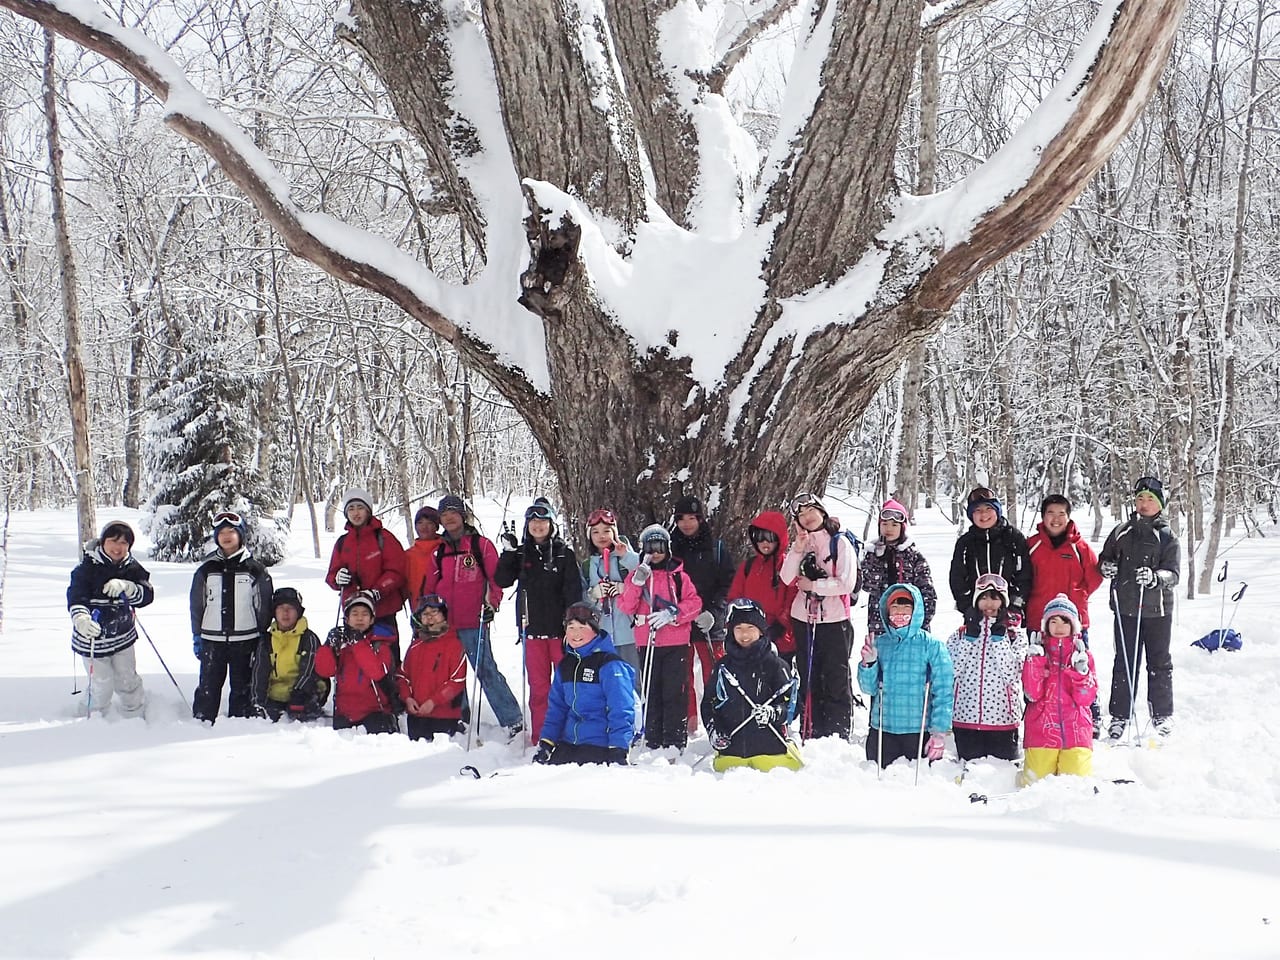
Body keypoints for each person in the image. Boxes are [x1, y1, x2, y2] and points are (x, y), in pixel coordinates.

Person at [423, 494, 524, 739]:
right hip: (445, 624)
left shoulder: (480, 545)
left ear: (462, 515)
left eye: (453, 513)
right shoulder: (439, 551)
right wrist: (427, 612)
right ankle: (459, 716)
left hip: (474, 619)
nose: (448, 518)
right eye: (444, 515)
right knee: (451, 673)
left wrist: (492, 603)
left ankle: (512, 719)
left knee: (485, 668)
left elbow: (496, 579)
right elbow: (430, 587)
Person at [1097, 476, 1181, 739]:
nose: (1144, 504)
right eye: (1140, 499)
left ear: (1160, 504)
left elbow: (1174, 574)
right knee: (1124, 663)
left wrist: (1157, 578)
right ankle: (1120, 716)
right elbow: (1105, 558)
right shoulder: (1122, 530)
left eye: (1150, 500)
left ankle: (1161, 714)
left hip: (1157, 611)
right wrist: (1106, 567)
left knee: (1159, 662)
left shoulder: (1167, 536)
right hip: (1126, 609)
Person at [495, 499, 583, 743]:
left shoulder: (565, 553)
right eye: (533, 521)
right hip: (531, 631)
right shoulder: (521, 554)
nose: (538, 526)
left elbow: (573, 593)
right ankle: (542, 736)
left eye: (543, 521)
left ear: (551, 524)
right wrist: (508, 552)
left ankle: (570, 734)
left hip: (560, 633)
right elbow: (502, 579)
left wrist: (572, 626)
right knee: (539, 689)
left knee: (567, 685)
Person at [779, 493, 860, 741]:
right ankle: (811, 728)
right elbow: (785, 578)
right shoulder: (802, 545)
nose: (807, 518)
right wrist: (797, 548)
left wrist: (815, 585)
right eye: (801, 516)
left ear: (822, 512)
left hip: (835, 620)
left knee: (835, 676)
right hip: (803, 619)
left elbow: (847, 583)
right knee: (809, 675)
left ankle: (837, 731)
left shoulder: (840, 543)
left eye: (811, 512)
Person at [618, 524, 702, 751]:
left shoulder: (678, 577)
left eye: (660, 547)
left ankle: (675, 739)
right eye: (650, 547)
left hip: (676, 642)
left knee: (675, 690)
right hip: (647, 643)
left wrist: (673, 614)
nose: (655, 553)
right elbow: (626, 605)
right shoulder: (637, 576)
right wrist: (637, 582)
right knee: (652, 690)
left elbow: (694, 603)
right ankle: (653, 739)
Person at [1026, 494, 1104, 735]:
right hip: (1039, 621)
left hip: (1074, 623)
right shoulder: (1033, 545)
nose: (1056, 519)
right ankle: (1037, 718)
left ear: (1069, 517)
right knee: (1039, 672)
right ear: (1043, 516)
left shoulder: (1080, 547)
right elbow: (1022, 578)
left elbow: (1094, 577)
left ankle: (1090, 715)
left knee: (1079, 669)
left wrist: (1076, 597)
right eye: (1051, 513)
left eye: (1062, 513)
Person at [858, 584, 954, 769]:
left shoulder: (932, 645)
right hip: (883, 731)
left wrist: (939, 733)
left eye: (906, 609)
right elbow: (868, 688)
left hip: (918, 732)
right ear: (887, 612)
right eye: (894, 608)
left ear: (915, 611)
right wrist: (868, 664)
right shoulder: (880, 643)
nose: (899, 614)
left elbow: (943, 692)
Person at [191, 510, 273, 722]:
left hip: (245, 640)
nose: (227, 536)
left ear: (241, 535)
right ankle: (202, 720)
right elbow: (196, 605)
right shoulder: (206, 569)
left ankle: (239, 721)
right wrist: (197, 635)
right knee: (208, 684)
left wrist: (261, 635)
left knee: (242, 685)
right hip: (212, 639)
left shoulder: (255, 570)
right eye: (222, 532)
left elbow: (263, 606)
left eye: (232, 532)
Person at [701, 599, 802, 772]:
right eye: (739, 628)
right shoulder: (723, 667)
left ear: (761, 631)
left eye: (750, 628)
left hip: (771, 754)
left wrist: (774, 713)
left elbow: (794, 705)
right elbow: (708, 704)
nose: (744, 634)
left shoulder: (775, 665)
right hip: (732, 755)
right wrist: (714, 730)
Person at [66, 520, 154, 718]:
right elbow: (76, 597)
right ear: (103, 542)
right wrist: (81, 619)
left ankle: (134, 714)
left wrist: (129, 587)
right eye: (114, 541)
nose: (118, 547)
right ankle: (92, 717)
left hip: (123, 636)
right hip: (92, 639)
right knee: (101, 684)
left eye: (124, 543)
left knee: (127, 680)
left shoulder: (132, 568)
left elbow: (146, 596)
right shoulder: (86, 569)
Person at [533, 601, 636, 765]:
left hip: (599, 745)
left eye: (582, 628)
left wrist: (618, 748)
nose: (576, 633)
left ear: (595, 631)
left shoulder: (610, 665)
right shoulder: (566, 665)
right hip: (569, 744)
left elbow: (621, 709)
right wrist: (546, 743)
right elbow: (557, 708)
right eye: (571, 627)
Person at [668, 494, 735, 736]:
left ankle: (719, 716)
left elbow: (727, 584)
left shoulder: (715, 548)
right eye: (681, 518)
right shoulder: (671, 549)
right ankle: (689, 719)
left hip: (709, 623)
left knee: (714, 672)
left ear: (700, 519)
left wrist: (714, 612)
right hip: (680, 622)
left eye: (692, 518)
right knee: (682, 675)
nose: (687, 523)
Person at [946, 573, 1025, 762]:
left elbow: (1012, 674)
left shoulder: (1015, 636)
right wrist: (969, 640)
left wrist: (999, 640)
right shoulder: (960, 634)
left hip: (1003, 721)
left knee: (1001, 775)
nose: (989, 603)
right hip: (966, 718)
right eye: (983, 597)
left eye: (995, 598)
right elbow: (951, 671)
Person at [1020, 594, 1097, 785]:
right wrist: (1035, 663)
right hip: (1041, 733)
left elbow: (1085, 699)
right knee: (1034, 783)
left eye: (1065, 621)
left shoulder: (1083, 655)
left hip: (1076, 733)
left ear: (1074, 626)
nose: (1059, 627)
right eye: (1053, 621)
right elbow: (1032, 693)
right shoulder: (1037, 652)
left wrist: (1081, 672)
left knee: (1076, 784)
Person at [325, 488, 408, 647]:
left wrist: (376, 591)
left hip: (383, 612)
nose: (356, 513)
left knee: (386, 660)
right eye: (351, 508)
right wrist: (337, 578)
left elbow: (397, 572)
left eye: (360, 507)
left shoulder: (384, 538)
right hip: (354, 614)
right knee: (354, 663)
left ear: (368, 510)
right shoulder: (343, 543)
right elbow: (331, 575)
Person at [315, 590, 403, 734]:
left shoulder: (381, 646)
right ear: (347, 619)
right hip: (345, 714)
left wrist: (358, 643)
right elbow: (325, 671)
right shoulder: (341, 645)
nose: (360, 618)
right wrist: (328, 646)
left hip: (375, 713)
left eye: (365, 614)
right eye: (355, 614)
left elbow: (376, 672)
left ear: (372, 619)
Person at [948, 486, 1032, 627]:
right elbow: (957, 578)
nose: (984, 515)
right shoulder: (966, 543)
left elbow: (1024, 574)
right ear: (971, 515)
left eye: (988, 509)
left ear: (997, 511)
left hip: (1008, 613)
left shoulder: (1013, 538)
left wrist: (1015, 605)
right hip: (976, 613)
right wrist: (967, 607)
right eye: (978, 510)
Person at [727, 510, 798, 666]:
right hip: (749, 636)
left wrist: (780, 626)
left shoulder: (787, 566)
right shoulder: (749, 566)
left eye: (770, 538)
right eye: (760, 538)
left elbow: (792, 600)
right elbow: (735, 597)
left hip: (780, 639)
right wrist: (739, 625)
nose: (765, 543)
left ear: (779, 539)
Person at [860, 498, 937, 640]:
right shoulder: (871, 554)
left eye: (894, 525)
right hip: (880, 623)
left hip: (911, 625)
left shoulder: (913, 556)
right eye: (885, 524)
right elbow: (868, 585)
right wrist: (877, 558)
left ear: (902, 527)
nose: (889, 529)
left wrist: (921, 621)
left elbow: (928, 591)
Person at [580, 507, 641, 680]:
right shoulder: (587, 565)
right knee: (606, 679)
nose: (602, 536)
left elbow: (646, 576)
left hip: (629, 632)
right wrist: (593, 594)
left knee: (633, 679)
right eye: (596, 532)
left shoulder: (626, 558)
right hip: (601, 634)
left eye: (607, 531)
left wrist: (624, 588)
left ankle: (636, 707)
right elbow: (582, 598)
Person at [397, 594, 468, 741]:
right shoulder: (415, 646)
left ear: (443, 614)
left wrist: (433, 701)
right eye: (425, 614)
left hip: (444, 717)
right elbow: (402, 676)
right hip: (416, 716)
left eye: (434, 612)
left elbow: (457, 681)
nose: (430, 618)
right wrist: (408, 699)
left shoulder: (455, 645)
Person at [251, 587, 326, 721]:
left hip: (303, 693)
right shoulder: (267, 640)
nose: (285, 613)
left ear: (298, 612)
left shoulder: (308, 638)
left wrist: (299, 693)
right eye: (281, 608)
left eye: (290, 608)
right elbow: (260, 672)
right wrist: (258, 701)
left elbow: (309, 671)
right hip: (275, 695)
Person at [403, 505, 444, 608]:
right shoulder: (408, 555)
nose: (424, 527)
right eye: (420, 523)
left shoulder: (446, 551)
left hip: (444, 610)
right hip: (418, 611)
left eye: (429, 523)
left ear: (436, 526)